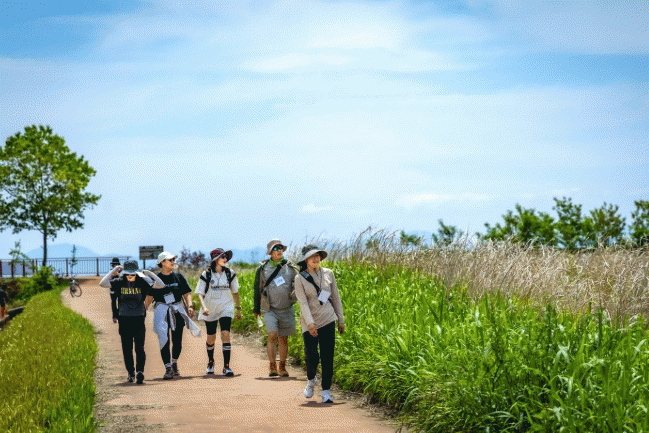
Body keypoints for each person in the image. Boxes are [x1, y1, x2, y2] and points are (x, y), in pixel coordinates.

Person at [99, 260, 165, 384]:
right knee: (127, 348)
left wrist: (149, 273)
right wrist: (113, 271)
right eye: (127, 274)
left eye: (132, 274)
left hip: (139, 319)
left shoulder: (142, 282)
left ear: (136, 273)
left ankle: (140, 372)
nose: (130, 276)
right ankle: (130, 372)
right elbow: (102, 283)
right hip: (124, 320)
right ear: (124, 273)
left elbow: (161, 285)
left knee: (139, 347)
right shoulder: (119, 282)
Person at [294, 244, 345, 403]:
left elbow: (335, 297)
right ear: (305, 260)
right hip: (309, 322)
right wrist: (310, 324)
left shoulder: (329, 273)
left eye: (317, 255)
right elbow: (303, 303)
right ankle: (311, 380)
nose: (316, 259)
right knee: (311, 356)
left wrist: (341, 319)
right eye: (312, 256)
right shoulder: (300, 278)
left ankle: (326, 391)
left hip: (328, 318)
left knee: (327, 356)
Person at [146, 251, 201, 380]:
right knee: (164, 340)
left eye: (173, 260)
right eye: (170, 260)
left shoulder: (178, 277)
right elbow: (149, 297)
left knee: (177, 341)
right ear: (162, 262)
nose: (173, 262)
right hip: (162, 310)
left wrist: (190, 306)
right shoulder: (155, 279)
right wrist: (143, 311)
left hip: (177, 310)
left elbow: (187, 294)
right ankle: (168, 368)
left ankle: (174, 362)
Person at [253, 239, 298, 377]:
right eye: (276, 248)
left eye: (280, 248)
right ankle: (272, 366)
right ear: (270, 252)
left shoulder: (291, 267)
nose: (279, 250)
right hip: (269, 308)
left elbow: (299, 285)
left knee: (283, 338)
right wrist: (256, 308)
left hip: (287, 308)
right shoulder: (262, 269)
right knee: (272, 335)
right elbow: (257, 288)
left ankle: (282, 367)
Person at [195, 248, 241, 376]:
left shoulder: (230, 273)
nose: (225, 259)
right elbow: (200, 293)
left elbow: (235, 292)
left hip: (226, 307)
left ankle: (227, 367)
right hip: (210, 309)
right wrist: (204, 307)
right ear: (215, 259)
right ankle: (210, 362)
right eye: (223, 257)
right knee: (211, 338)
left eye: (226, 257)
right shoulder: (206, 274)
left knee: (225, 334)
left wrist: (238, 309)